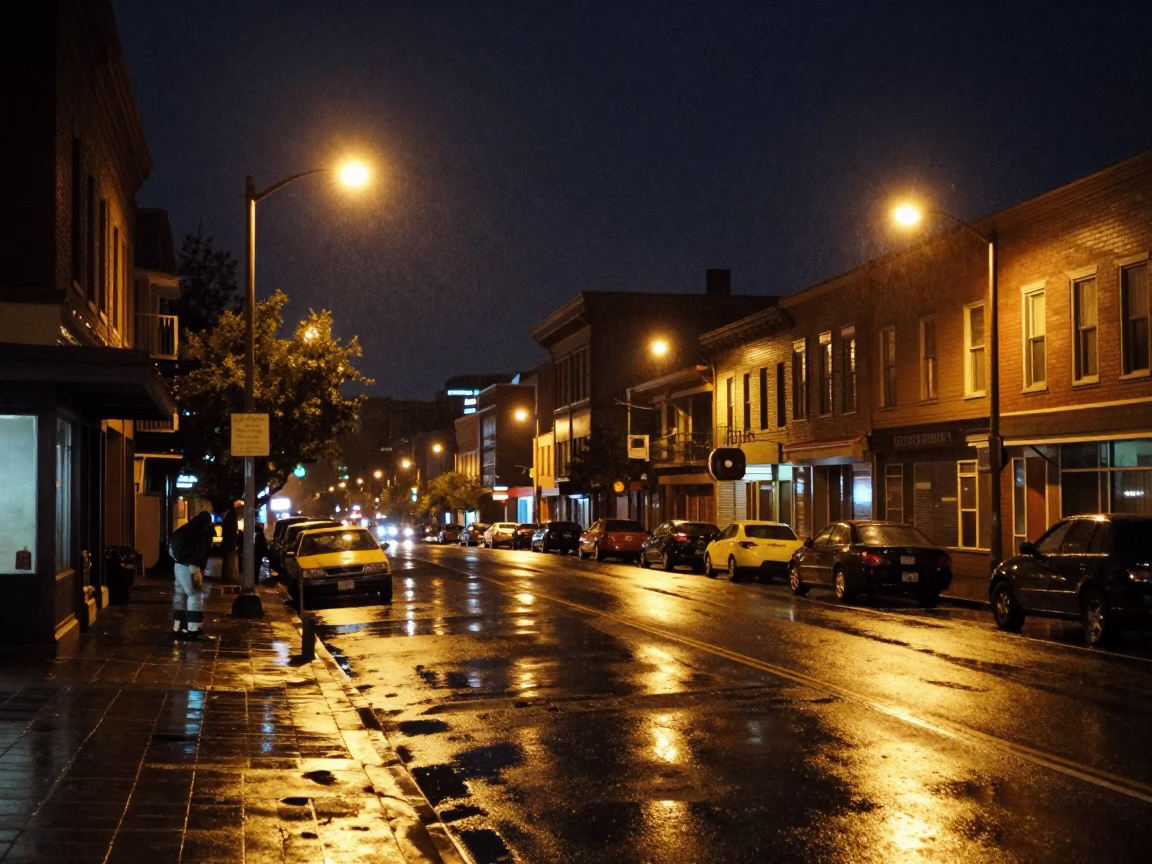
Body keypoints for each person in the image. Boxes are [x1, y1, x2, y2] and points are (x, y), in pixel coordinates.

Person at [167, 510, 215, 640]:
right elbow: (202, 551)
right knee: (194, 595)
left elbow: (171, 546)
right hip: (191, 567)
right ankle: (193, 629)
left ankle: (177, 626)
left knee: (179, 595)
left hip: (178, 565)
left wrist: (178, 560)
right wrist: (197, 565)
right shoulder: (201, 531)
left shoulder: (184, 529)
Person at [220, 500, 241, 584]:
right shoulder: (232, 516)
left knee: (228, 559)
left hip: (227, 540)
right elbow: (234, 530)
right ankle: (230, 576)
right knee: (231, 559)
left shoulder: (227, 515)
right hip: (230, 541)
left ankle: (227, 575)